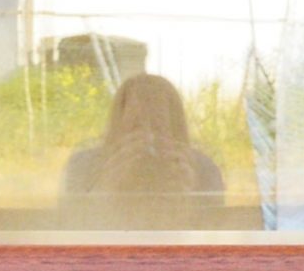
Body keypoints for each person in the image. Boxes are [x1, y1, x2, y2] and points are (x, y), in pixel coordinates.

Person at [61, 73, 226, 224]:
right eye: (136, 127)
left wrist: (187, 195)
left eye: (157, 127)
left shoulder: (203, 170)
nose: (148, 139)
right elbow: (71, 226)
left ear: (176, 131)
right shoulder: (83, 167)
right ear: (117, 127)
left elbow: (212, 231)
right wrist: (107, 186)